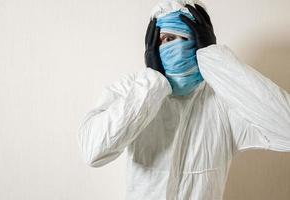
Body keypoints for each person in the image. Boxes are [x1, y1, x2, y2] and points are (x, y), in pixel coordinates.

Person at [77, 0, 290, 199]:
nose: (177, 48)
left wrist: (216, 60)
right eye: (167, 39)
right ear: (153, 47)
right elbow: (93, 151)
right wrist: (151, 84)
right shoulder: (133, 90)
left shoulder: (223, 100)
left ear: (202, 43)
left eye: (187, 38)